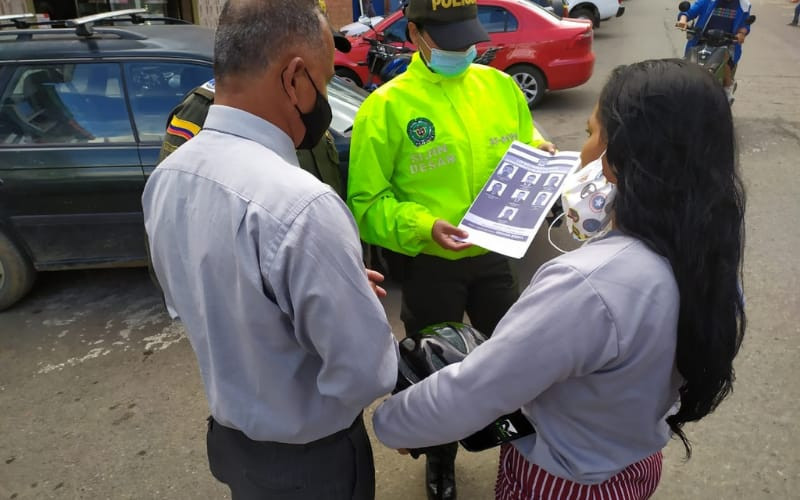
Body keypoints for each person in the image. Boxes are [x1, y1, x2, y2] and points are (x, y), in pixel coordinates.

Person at [371, 59, 746, 499]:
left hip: (562, 481)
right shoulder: (706, 255)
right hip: (634, 467)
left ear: (622, 159)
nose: (583, 152)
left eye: (591, 134)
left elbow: (478, 389)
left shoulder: (586, 285)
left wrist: (393, 423)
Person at [142, 1, 397, 498]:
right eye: (323, 84)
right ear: (295, 78)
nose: (323, 99)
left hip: (233, 447)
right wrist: (340, 300)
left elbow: (189, 297)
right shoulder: (301, 205)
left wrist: (316, 288)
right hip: (313, 462)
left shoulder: (168, 176)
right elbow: (367, 372)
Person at [346, 0, 555, 497]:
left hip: (494, 258)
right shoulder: (388, 107)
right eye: (451, 40)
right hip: (431, 265)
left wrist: (544, 162)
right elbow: (366, 205)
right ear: (416, 35)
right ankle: (438, 458)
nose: (465, 49)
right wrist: (423, 226)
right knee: (435, 374)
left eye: (469, 38)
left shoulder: (500, 88)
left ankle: (513, 445)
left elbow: (530, 143)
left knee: (511, 357)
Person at [676, 0, 752, 101]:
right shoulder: (707, 1)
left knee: (725, 60)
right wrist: (683, 20)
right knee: (687, 64)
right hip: (701, 39)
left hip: (727, 42)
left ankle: (727, 87)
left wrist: (741, 34)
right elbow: (690, 12)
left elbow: (744, 25)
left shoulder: (744, 5)